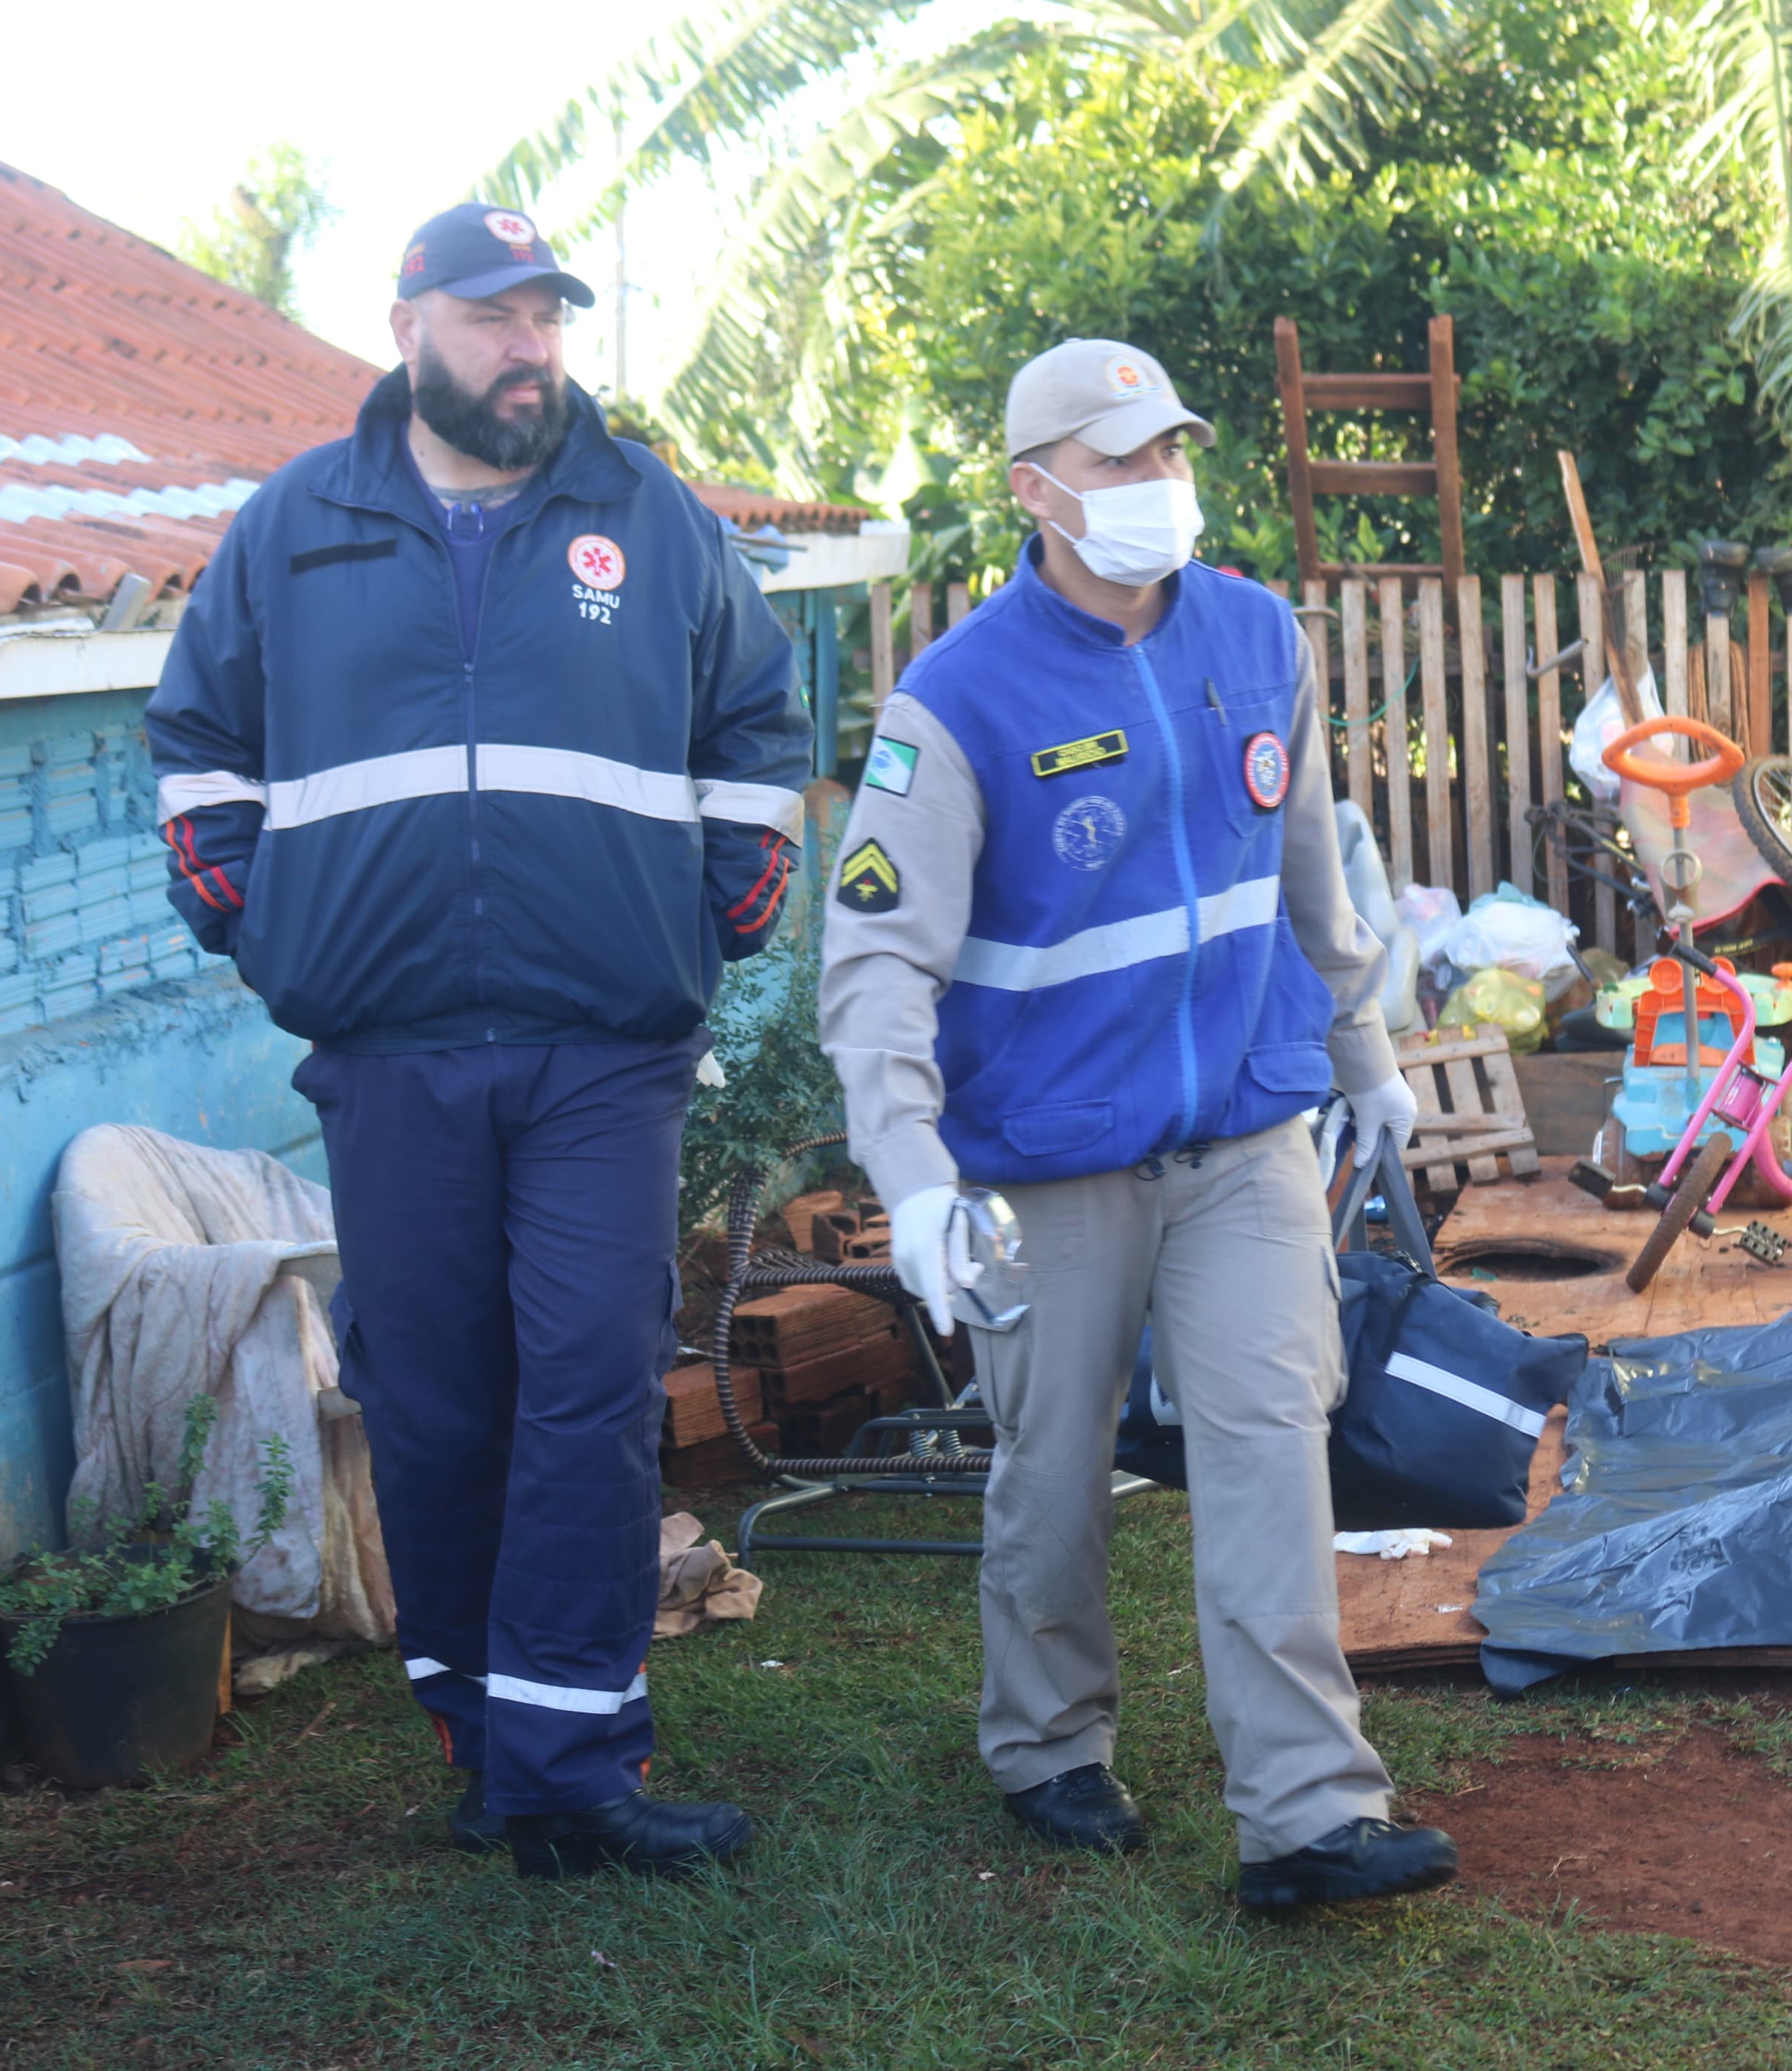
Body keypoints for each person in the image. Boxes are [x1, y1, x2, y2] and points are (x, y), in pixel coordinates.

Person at [146, 202, 810, 1879]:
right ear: (408, 326)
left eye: (548, 318)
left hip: (604, 1043)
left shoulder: (644, 514)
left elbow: (755, 714)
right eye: (494, 316)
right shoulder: (298, 525)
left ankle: (580, 1763)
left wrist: (726, 903)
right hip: (387, 1050)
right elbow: (197, 737)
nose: (530, 347)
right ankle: (478, 1734)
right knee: (433, 1402)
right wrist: (254, 912)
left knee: (586, 1385)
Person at [818, 338, 1456, 1910]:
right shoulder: (954, 699)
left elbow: (1314, 870)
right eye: (1117, 462)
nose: (1156, 486)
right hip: (1044, 1165)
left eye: (1168, 452)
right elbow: (878, 961)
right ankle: (1046, 1743)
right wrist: (909, 1175)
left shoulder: (1255, 636)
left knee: (1268, 1447)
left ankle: (1306, 1813)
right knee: (1050, 1471)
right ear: (1035, 491)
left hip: (1243, 1140)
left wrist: (1364, 1049)